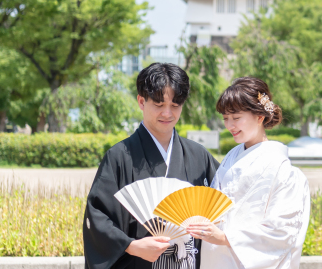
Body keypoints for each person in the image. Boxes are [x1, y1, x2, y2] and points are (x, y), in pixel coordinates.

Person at [84, 63, 220, 269]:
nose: (167, 113)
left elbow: (222, 205)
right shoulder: (120, 157)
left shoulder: (198, 156)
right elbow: (98, 218)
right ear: (141, 101)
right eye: (158, 104)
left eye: (175, 105)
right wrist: (131, 246)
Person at [188, 77, 310, 269]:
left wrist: (225, 237)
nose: (229, 126)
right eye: (226, 118)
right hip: (216, 259)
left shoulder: (282, 169)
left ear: (259, 117)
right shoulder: (231, 156)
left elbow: (282, 231)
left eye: (236, 118)